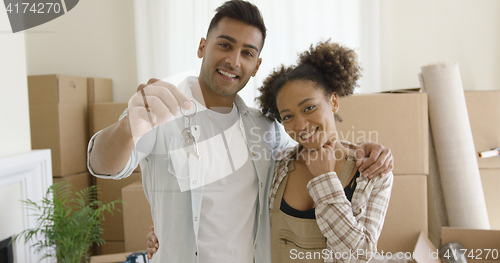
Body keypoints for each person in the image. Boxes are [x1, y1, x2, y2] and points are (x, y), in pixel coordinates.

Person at [88, 1, 393, 262]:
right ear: (202, 47)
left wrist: (368, 148)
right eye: (225, 44)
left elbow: (310, 144)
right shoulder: (159, 112)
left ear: (256, 65)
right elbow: (101, 165)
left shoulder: (265, 127)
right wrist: (127, 126)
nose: (234, 61)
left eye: (247, 53)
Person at [259, 40, 393, 262]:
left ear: (333, 102)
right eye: (288, 116)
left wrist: (324, 179)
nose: (300, 125)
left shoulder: (373, 172)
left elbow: (359, 256)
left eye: (309, 108)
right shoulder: (276, 166)